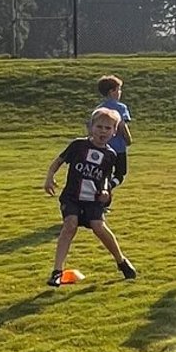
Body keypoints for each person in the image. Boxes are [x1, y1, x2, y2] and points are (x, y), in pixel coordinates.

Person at [43, 106, 138, 286]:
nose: (103, 131)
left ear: (114, 132)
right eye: (99, 127)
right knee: (70, 226)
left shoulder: (110, 155)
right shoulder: (78, 145)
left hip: (92, 201)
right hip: (72, 197)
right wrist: (49, 177)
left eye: (108, 128)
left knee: (99, 227)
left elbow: (105, 178)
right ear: (90, 127)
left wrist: (105, 191)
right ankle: (57, 271)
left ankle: (121, 261)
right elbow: (59, 161)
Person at [94, 74, 132, 178]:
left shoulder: (99, 109)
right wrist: (128, 139)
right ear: (112, 91)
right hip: (118, 147)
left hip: (103, 145)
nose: (120, 92)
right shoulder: (121, 108)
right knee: (120, 174)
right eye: (118, 90)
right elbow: (122, 125)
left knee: (105, 173)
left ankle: (104, 189)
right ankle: (108, 188)